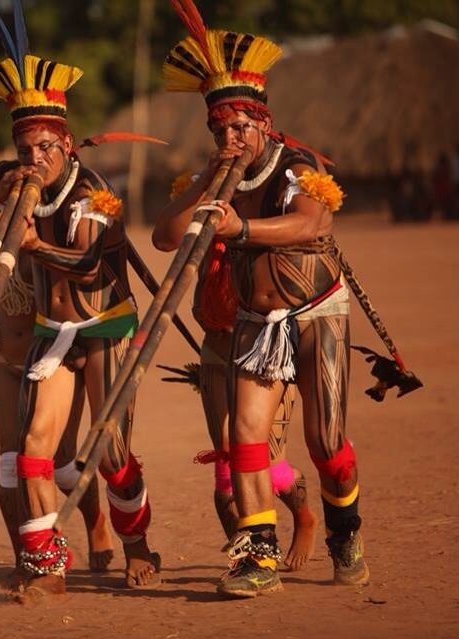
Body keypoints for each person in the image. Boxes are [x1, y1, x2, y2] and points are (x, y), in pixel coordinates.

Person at [154, 1, 368, 598]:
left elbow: (310, 227)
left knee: (325, 442)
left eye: (239, 127)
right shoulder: (215, 177)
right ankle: (258, 557)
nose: (230, 137)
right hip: (253, 318)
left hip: (314, 313)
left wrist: (239, 230)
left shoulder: (297, 164)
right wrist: (202, 184)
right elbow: (164, 236)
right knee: (245, 436)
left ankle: (344, 530)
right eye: (220, 129)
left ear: (263, 123)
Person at [0, 1, 160, 601]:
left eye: (45, 148)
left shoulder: (95, 192)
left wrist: (28, 241)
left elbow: (87, 261)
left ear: (67, 143)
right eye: (26, 149)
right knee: (33, 452)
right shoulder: (11, 180)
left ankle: (138, 548)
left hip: (104, 327)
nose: (35, 160)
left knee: (110, 454)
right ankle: (48, 564)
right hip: (54, 333)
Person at [0, 178, 115, 585]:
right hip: (4, 360)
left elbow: (77, 284)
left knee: (63, 466)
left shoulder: (53, 230)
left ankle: (96, 522)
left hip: (52, 357)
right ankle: (32, 558)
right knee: (9, 467)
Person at [164, 174, 316, 572]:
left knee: (269, 461)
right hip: (216, 343)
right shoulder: (200, 195)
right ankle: (248, 554)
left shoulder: (270, 203)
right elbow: (165, 237)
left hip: (263, 344)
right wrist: (202, 194)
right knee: (226, 465)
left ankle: (304, 517)